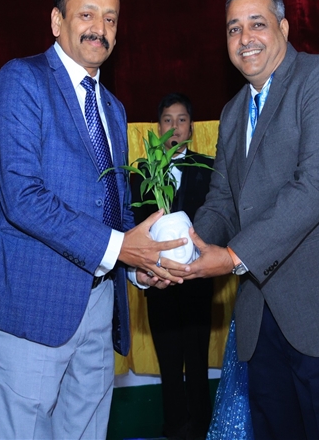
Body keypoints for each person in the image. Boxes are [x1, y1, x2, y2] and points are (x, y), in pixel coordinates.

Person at [165, 0, 319, 439]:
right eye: (233, 28)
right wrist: (179, 251)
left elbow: (313, 189)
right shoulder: (232, 113)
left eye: (257, 24)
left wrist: (232, 257)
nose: (245, 38)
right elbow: (223, 202)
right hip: (263, 324)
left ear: (284, 28)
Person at [0, 0, 186, 440]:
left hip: (100, 308)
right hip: (31, 307)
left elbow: (116, 207)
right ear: (56, 21)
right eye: (86, 14)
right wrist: (120, 248)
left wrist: (139, 266)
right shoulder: (21, 80)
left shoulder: (114, 108)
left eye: (110, 19)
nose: (99, 29)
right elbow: (22, 198)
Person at [131, 93, 215, 440]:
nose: (175, 127)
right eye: (168, 120)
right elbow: (133, 227)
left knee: (197, 360)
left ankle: (201, 428)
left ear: (191, 127)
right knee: (168, 361)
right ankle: (175, 429)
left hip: (199, 283)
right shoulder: (140, 173)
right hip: (158, 281)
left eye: (182, 120)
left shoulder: (210, 168)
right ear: (158, 128)